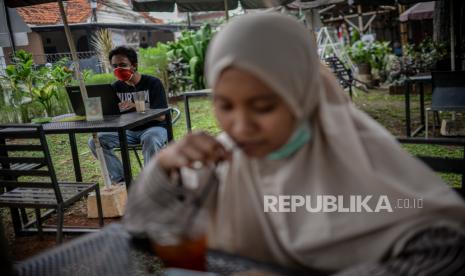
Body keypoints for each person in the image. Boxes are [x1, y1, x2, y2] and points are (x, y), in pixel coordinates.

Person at [124, 13, 465, 275]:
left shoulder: (355, 156)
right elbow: (141, 226)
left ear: (301, 95)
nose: (241, 127)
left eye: (264, 107)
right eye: (225, 105)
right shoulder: (223, 159)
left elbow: (447, 253)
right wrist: (165, 166)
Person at [88, 46, 168, 184]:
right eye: (115, 66)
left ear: (134, 66)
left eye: (123, 65)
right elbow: (112, 116)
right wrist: (98, 110)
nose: (118, 69)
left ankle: (151, 182)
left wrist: (137, 106)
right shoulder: (115, 88)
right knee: (95, 141)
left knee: (150, 138)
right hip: (128, 131)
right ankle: (122, 181)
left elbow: (161, 116)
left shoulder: (153, 83)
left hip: (154, 128)